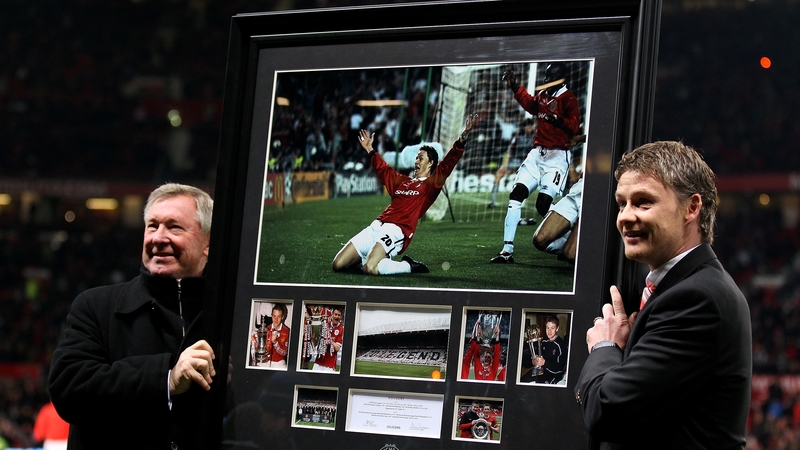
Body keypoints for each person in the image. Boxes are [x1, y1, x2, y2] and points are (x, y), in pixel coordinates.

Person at [575, 141, 752, 449]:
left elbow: (607, 411)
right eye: (622, 203)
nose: (625, 217)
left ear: (692, 208)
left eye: (643, 202)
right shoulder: (675, 288)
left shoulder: (697, 299)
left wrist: (605, 346)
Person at [48, 183, 216, 450]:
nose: (158, 238)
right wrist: (166, 379)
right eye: (152, 226)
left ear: (208, 243)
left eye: (174, 227)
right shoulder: (96, 306)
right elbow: (68, 387)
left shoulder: (228, 314)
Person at [332, 114, 479, 275]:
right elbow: (384, 171)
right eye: (416, 158)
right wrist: (370, 150)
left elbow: (448, 163)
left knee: (370, 268)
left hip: (396, 230)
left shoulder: (432, 184)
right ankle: (369, 258)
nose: (416, 161)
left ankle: (408, 266)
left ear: (431, 163)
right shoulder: (403, 181)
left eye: (421, 158)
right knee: (338, 264)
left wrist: (461, 141)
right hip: (376, 225)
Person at [491, 63, 581, 264]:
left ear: (562, 78)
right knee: (516, 195)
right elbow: (530, 104)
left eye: (551, 77)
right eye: (546, 76)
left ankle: (571, 242)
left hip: (557, 157)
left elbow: (574, 126)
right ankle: (507, 251)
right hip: (536, 155)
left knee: (543, 206)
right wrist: (515, 87)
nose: (546, 80)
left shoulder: (569, 99)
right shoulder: (543, 96)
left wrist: (558, 120)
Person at [487, 118, 534, 209]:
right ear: (524, 127)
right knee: (499, 175)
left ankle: (521, 201)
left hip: (525, 161)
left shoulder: (534, 136)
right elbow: (509, 151)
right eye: (528, 127)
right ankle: (492, 202)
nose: (530, 128)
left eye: (531, 127)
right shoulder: (517, 136)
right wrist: (505, 165)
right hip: (513, 159)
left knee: (523, 180)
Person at [532, 315, 567, 384]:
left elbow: (560, 369)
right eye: (547, 328)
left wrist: (544, 363)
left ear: (557, 329)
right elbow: (539, 359)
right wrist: (535, 360)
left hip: (554, 377)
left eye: (552, 328)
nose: (549, 331)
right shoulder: (544, 342)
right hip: (542, 374)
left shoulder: (561, 345)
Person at [312, 306, 344, 372]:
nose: (337, 317)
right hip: (319, 361)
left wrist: (329, 340)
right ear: (332, 315)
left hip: (330, 364)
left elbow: (337, 348)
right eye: (335, 314)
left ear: (341, 317)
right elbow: (315, 341)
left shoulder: (341, 329)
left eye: (339, 315)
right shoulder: (325, 325)